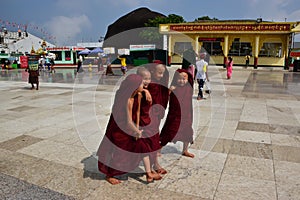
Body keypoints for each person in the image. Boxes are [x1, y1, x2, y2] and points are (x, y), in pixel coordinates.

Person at [97, 74, 162, 185]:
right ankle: (109, 174)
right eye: (141, 84)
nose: (144, 85)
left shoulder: (139, 95)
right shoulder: (128, 100)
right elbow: (127, 121)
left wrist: (137, 130)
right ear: (134, 86)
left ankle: (148, 173)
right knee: (120, 153)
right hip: (121, 129)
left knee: (143, 146)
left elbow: (136, 114)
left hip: (131, 128)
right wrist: (136, 131)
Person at [160, 69, 194, 158]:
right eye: (179, 78)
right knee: (169, 131)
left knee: (187, 132)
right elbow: (164, 98)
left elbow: (191, 79)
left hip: (187, 115)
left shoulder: (189, 88)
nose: (182, 81)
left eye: (184, 78)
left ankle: (185, 150)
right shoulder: (173, 88)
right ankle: (158, 150)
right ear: (175, 78)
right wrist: (169, 91)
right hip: (175, 116)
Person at [144, 63, 169, 174]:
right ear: (152, 71)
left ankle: (153, 162)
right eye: (159, 73)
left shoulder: (160, 83)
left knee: (154, 136)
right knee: (151, 138)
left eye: (163, 73)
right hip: (147, 115)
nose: (162, 75)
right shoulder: (147, 83)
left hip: (156, 114)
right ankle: (155, 164)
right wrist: (144, 90)